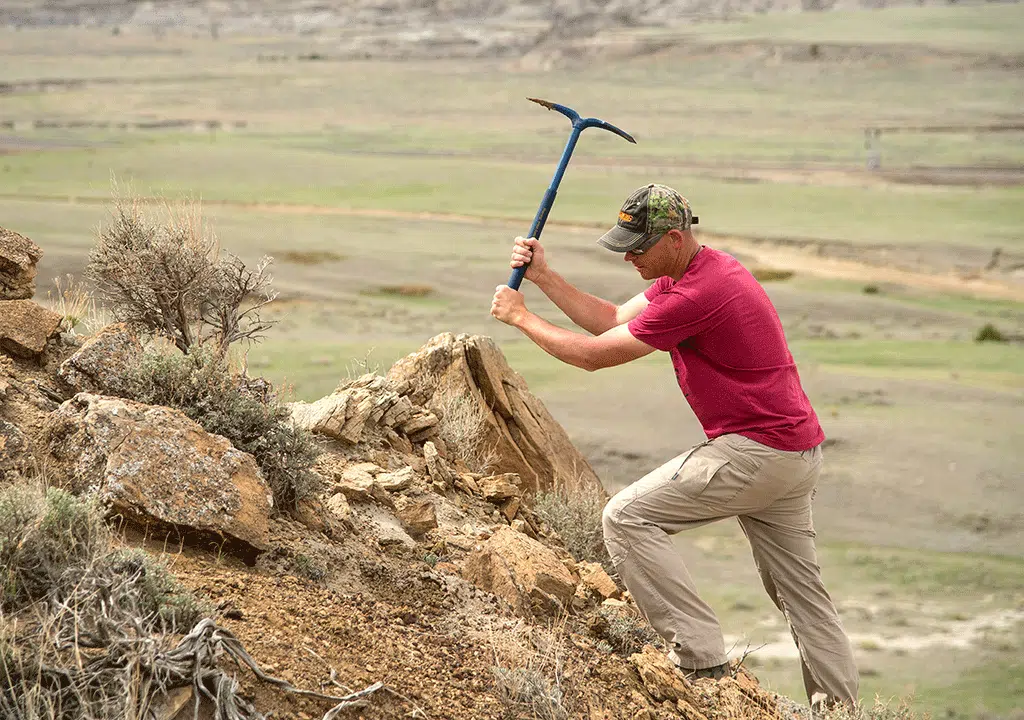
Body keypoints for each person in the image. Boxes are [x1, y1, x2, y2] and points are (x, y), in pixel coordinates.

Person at [489, 183, 859, 710]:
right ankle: (841, 711)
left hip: (756, 452)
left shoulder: (696, 295)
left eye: (639, 246)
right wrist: (545, 276)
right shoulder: (701, 270)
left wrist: (521, 317)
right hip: (795, 455)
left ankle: (699, 657)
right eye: (625, 246)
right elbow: (611, 319)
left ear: (677, 237)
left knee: (626, 517)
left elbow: (595, 355)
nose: (630, 256)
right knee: (803, 598)